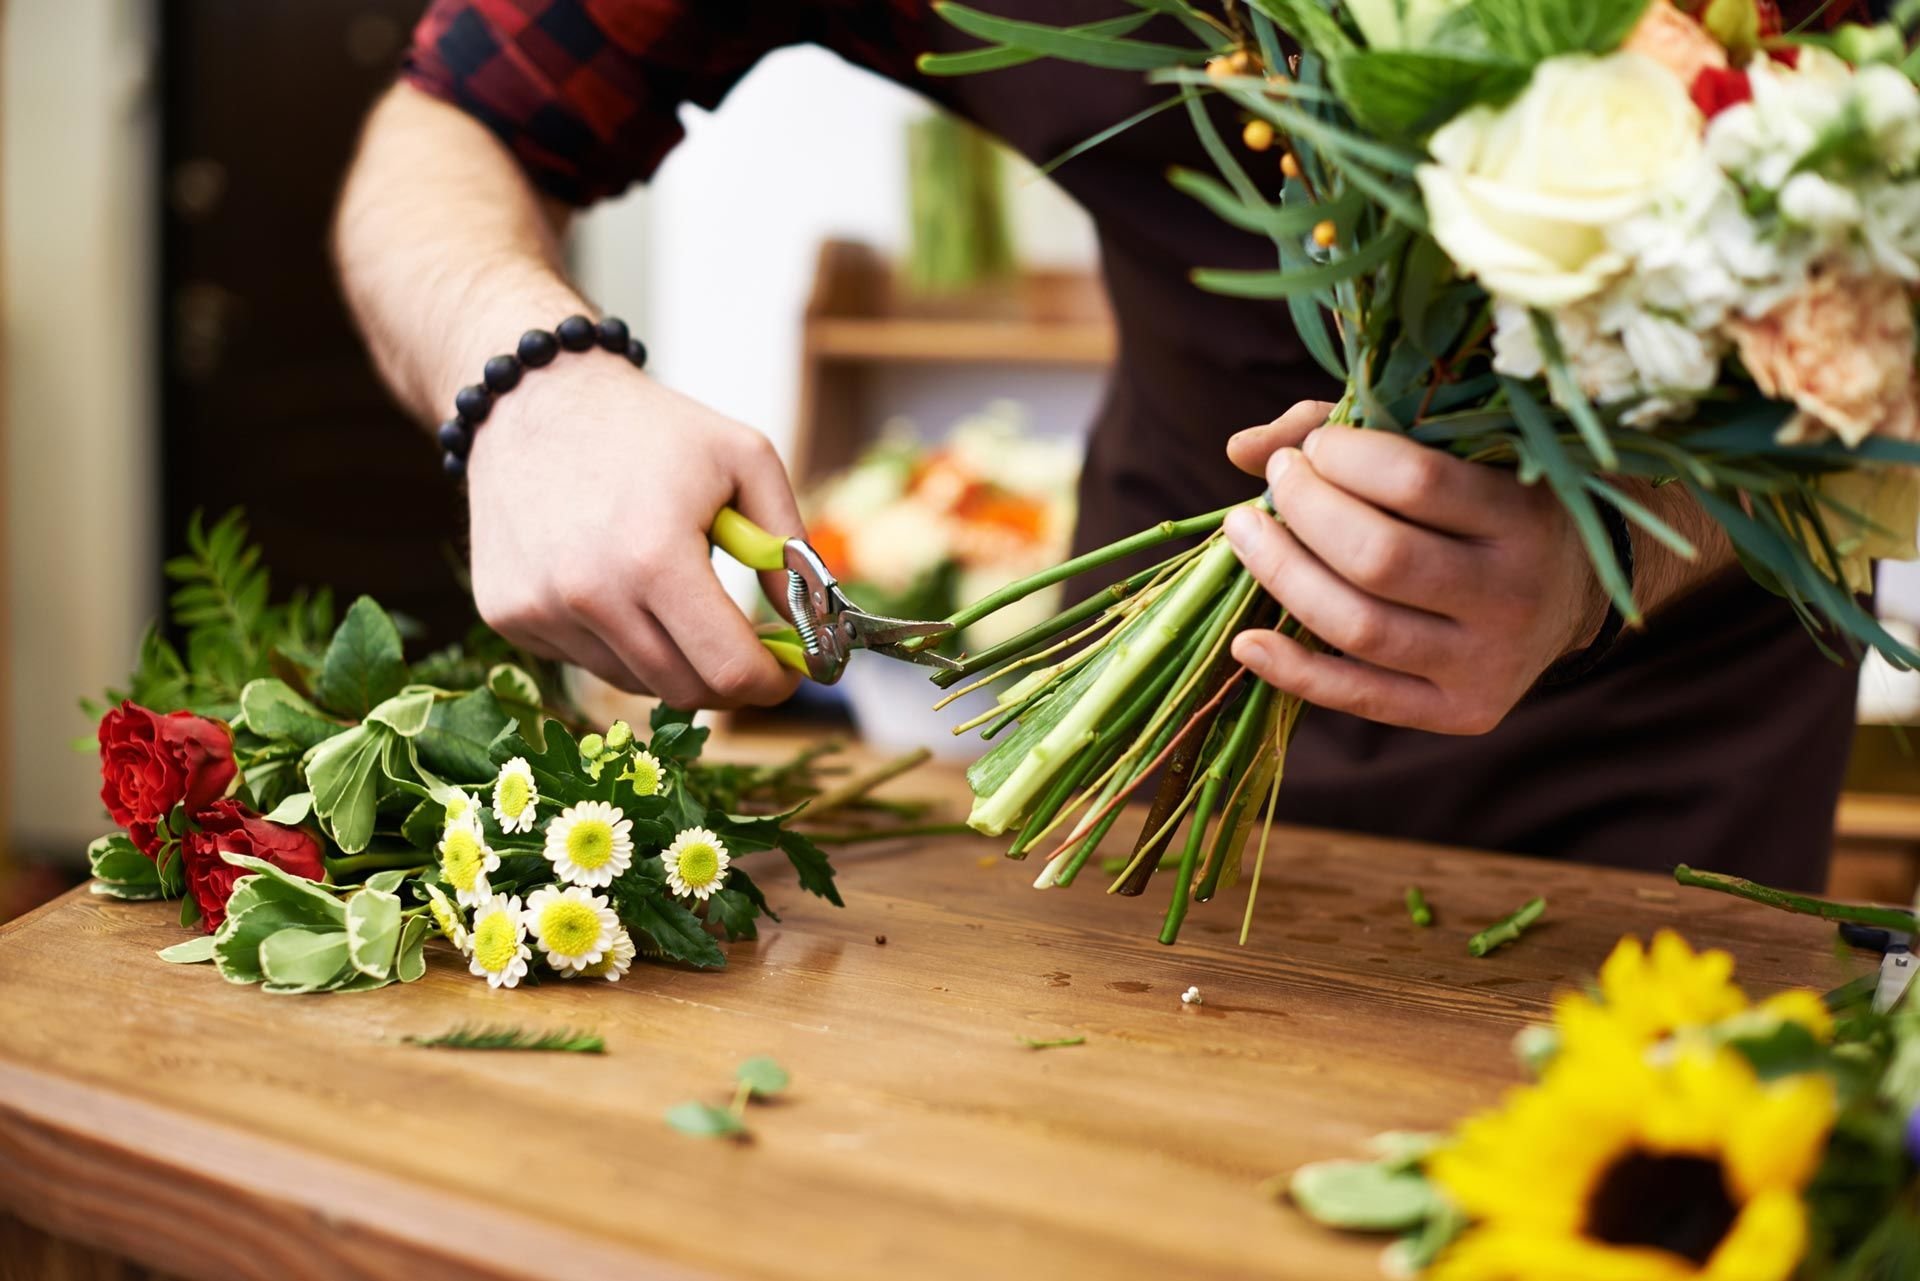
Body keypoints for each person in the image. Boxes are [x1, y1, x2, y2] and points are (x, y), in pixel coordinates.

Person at [335, 1, 1866, 889]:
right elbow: (455, 120)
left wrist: (1630, 541)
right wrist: (526, 380)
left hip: (1648, 775)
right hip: (1138, 727)